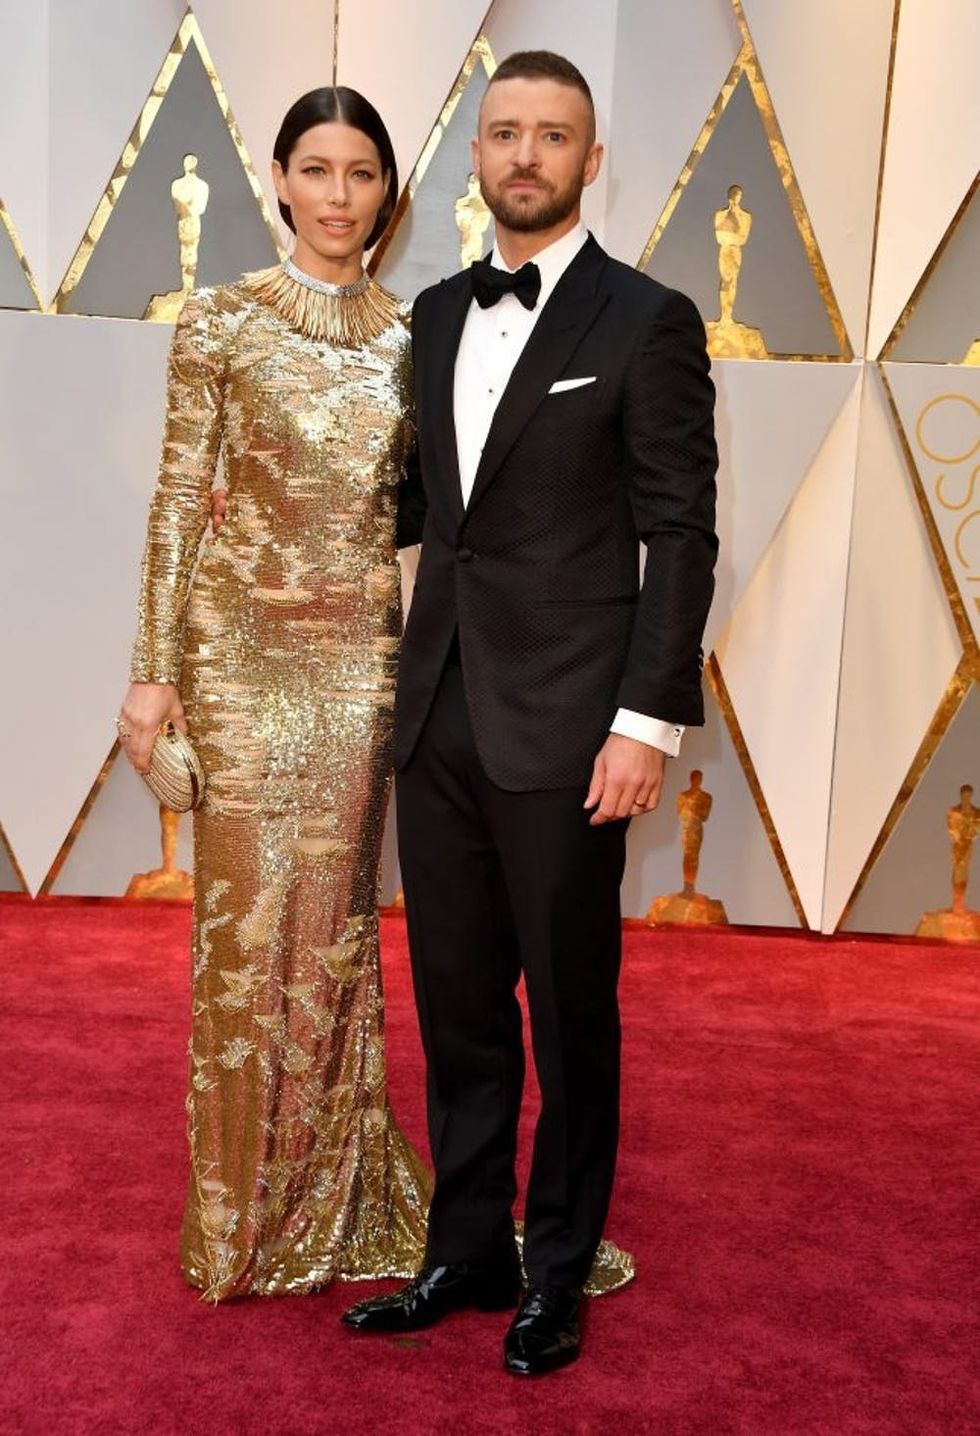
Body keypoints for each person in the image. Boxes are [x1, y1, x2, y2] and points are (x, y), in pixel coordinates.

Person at [341, 51, 718, 1375]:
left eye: (553, 136)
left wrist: (646, 722)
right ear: (480, 152)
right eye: (505, 133)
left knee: (570, 1007)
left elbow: (679, 532)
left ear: (591, 159)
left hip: (572, 726)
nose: (525, 155)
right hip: (440, 710)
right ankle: (466, 1248)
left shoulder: (649, 321)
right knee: (455, 1000)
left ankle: (556, 1271)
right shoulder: (437, 313)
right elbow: (422, 507)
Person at [117, 87, 433, 1301]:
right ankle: (240, 1221)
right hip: (238, 658)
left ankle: (333, 1199)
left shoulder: (417, 338)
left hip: (360, 662)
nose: (339, 194)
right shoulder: (220, 322)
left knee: (336, 935)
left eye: (361, 173)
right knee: (245, 942)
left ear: (386, 195)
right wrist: (152, 675)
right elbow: (173, 498)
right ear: (279, 179)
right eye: (317, 169)